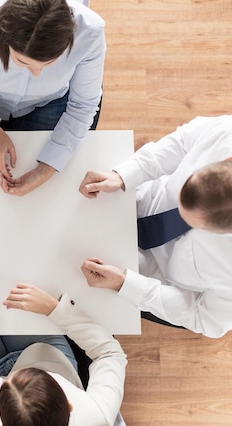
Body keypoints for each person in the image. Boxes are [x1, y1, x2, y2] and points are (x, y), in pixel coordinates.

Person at [78, 115, 232, 338]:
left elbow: (202, 317)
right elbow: (182, 142)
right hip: (138, 201)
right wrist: (124, 175)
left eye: (191, 223)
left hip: (153, 281)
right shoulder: (226, 132)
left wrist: (126, 284)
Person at [0, 0, 105, 197]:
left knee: (51, 192)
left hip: (48, 101)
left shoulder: (90, 32)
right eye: (22, 61)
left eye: (49, 63)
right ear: (3, 36)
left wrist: (45, 170)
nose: (36, 73)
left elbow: (83, 105)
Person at [0, 264, 126, 426]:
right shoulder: (97, 416)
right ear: (69, 405)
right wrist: (54, 309)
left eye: (6, 384)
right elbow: (109, 353)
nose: (14, 371)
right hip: (44, 355)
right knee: (20, 272)